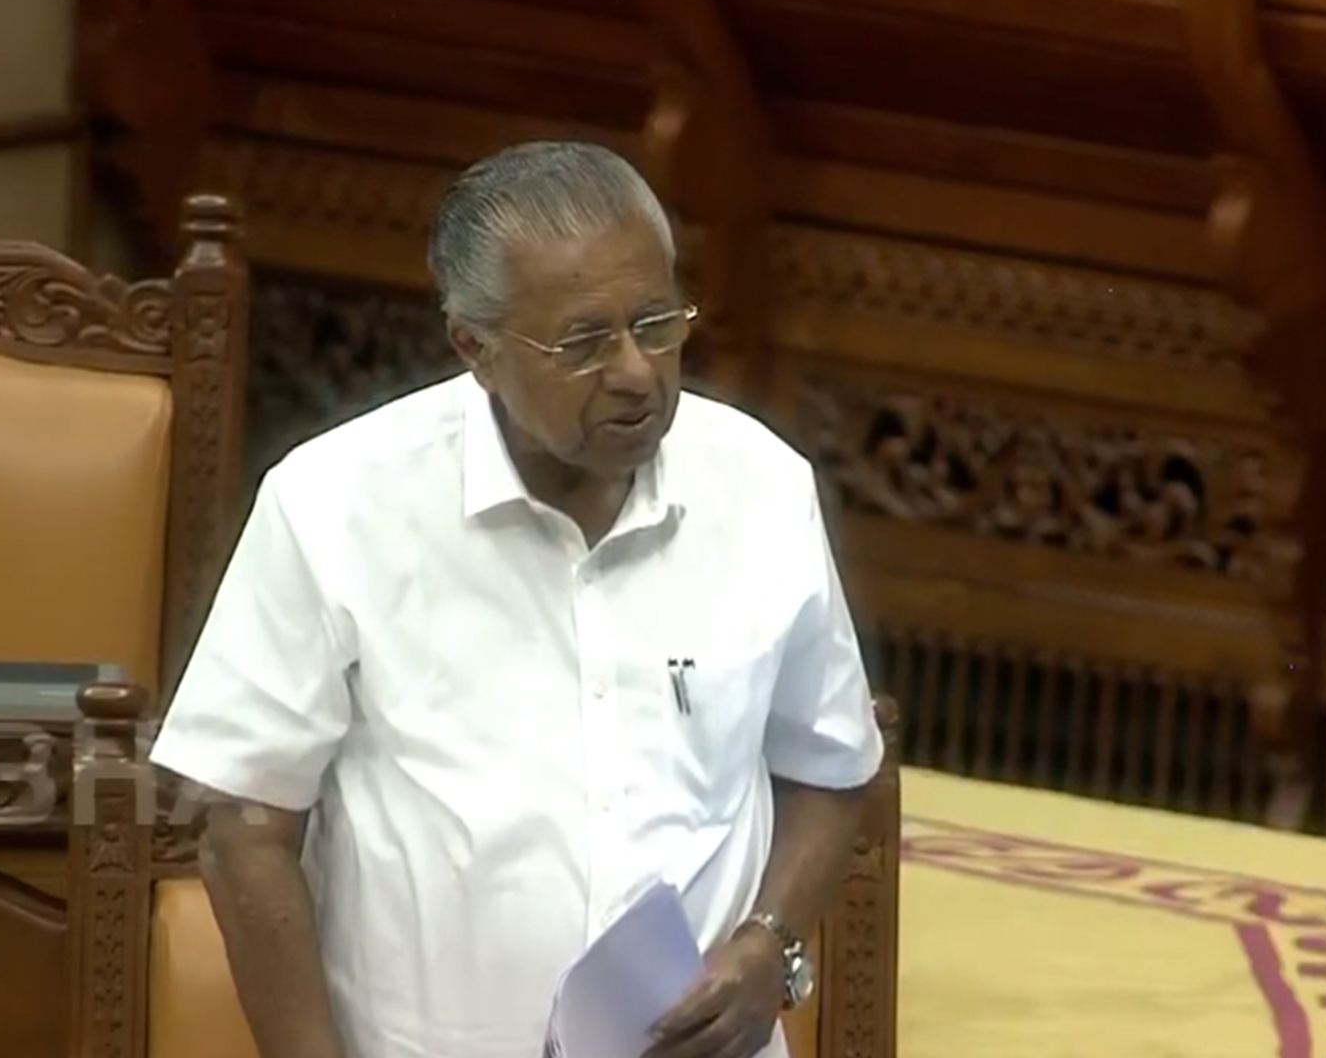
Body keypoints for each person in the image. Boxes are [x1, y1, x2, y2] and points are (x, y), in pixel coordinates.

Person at [150, 141, 884, 1058]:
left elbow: (833, 763)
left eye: (658, 323)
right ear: (475, 347)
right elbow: (244, 827)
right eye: (584, 343)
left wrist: (769, 943)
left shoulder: (762, 489)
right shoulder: (336, 505)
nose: (637, 373)